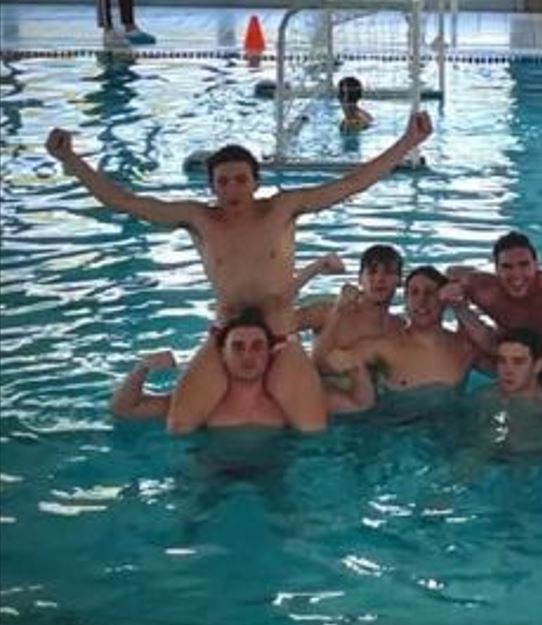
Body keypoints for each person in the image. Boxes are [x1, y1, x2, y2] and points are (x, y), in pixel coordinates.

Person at [46, 111, 433, 434]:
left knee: (311, 430)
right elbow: (126, 202)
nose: (232, 189)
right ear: (211, 186)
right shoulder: (199, 219)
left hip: (280, 336)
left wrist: (407, 142)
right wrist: (71, 161)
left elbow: (351, 184)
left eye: (241, 180)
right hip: (225, 338)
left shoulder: (282, 209)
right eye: (223, 181)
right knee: (179, 425)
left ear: (256, 182)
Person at [109, 309, 375, 431]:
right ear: (222, 355)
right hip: (213, 478)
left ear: (270, 354)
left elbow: (360, 403)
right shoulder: (204, 403)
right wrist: (141, 369)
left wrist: (356, 368)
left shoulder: (288, 403)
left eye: (257, 346)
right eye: (238, 347)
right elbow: (124, 409)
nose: (248, 355)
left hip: (274, 479)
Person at [321, 266, 494, 391]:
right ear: (406, 302)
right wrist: (338, 311)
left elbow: (498, 361)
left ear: (444, 300)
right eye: (414, 293)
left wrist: (461, 307)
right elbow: (323, 366)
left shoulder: (463, 349)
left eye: (429, 293)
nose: (421, 301)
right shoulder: (384, 349)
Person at [306, 244, 406, 371]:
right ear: (360, 279)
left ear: (400, 281)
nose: (379, 279)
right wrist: (337, 311)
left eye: (388, 273)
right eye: (372, 272)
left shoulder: (401, 328)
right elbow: (281, 321)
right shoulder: (326, 313)